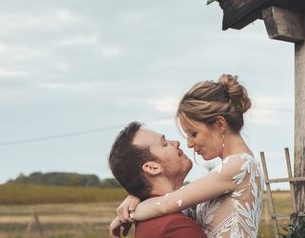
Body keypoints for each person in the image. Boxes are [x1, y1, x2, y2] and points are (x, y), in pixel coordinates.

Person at [112, 74, 263, 238]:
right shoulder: (228, 172)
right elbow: (178, 200)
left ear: (220, 125)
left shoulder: (240, 165)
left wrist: (129, 214)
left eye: (193, 133)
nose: (189, 144)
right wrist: (137, 196)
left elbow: (166, 204)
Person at [108, 121, 207, 238]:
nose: (176, 143)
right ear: (152, 168)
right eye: (164, 144)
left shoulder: (150, 217)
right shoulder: (175, 226)